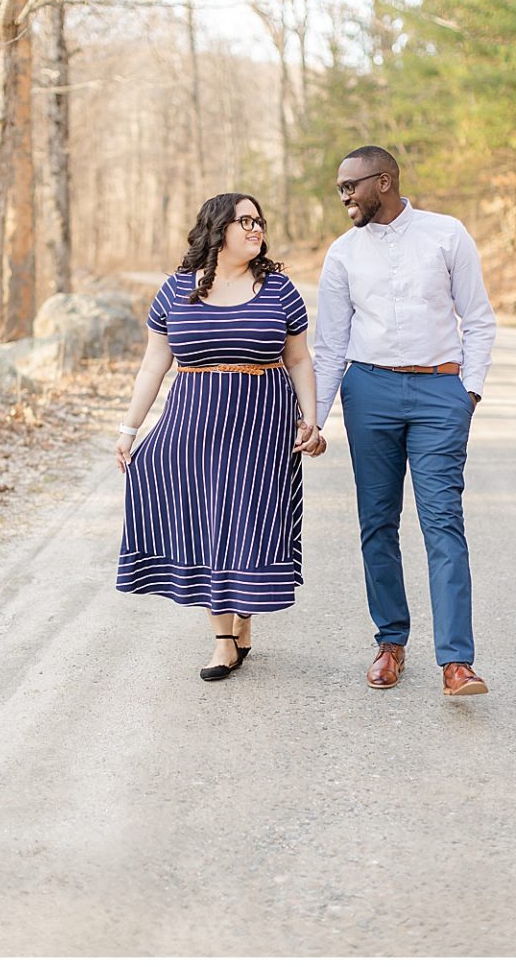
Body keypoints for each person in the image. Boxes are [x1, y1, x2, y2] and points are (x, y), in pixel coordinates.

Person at [305, 145, 497, 697]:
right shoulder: (342, 255)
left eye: (351, 186)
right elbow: (331, 343)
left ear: (383, 182)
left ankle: (457, 662)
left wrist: (470, 391)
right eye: (340, 187)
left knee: (442, 522)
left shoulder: (446, 234)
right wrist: (316, 419)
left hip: (441, 391)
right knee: (377, 523)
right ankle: (391, 642)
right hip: (371, 393)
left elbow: (478, 318)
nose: (344, 196)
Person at [115, 193, 319, 681]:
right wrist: (129, 428)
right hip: (193, 425)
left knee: (248, 525)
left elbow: (298, 359)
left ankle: (242, 617)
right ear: (217, 228)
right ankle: (223, 639)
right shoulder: (174, 291)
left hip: (262, 424)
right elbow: (154, 363)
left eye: (259, 221)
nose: (255, 228)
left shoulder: (280, 290)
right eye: (244, 220)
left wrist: (312, 418)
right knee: (207, 524)